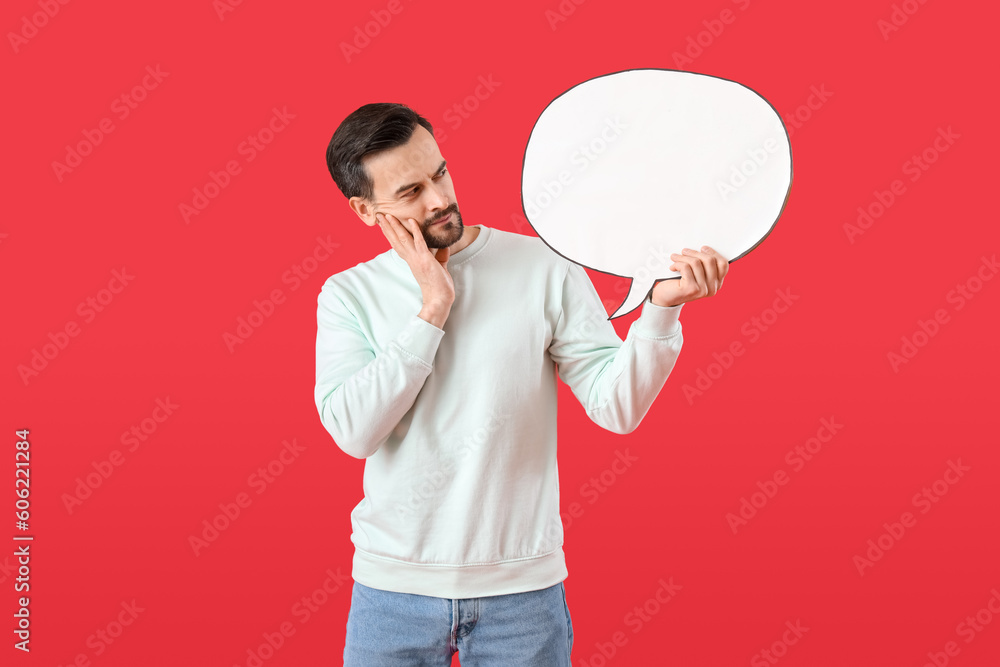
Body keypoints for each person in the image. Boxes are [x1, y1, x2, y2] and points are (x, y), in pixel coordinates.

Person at [317, 102, 728, 666]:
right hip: (393, 591)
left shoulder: (542, 267)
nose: (439, 199)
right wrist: (432, 307)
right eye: (410, 192)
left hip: (522, 594)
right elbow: (354, 432)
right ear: (366, 210)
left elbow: (617, 408)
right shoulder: (348, 294)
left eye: (440, 173)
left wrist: (658, 313)